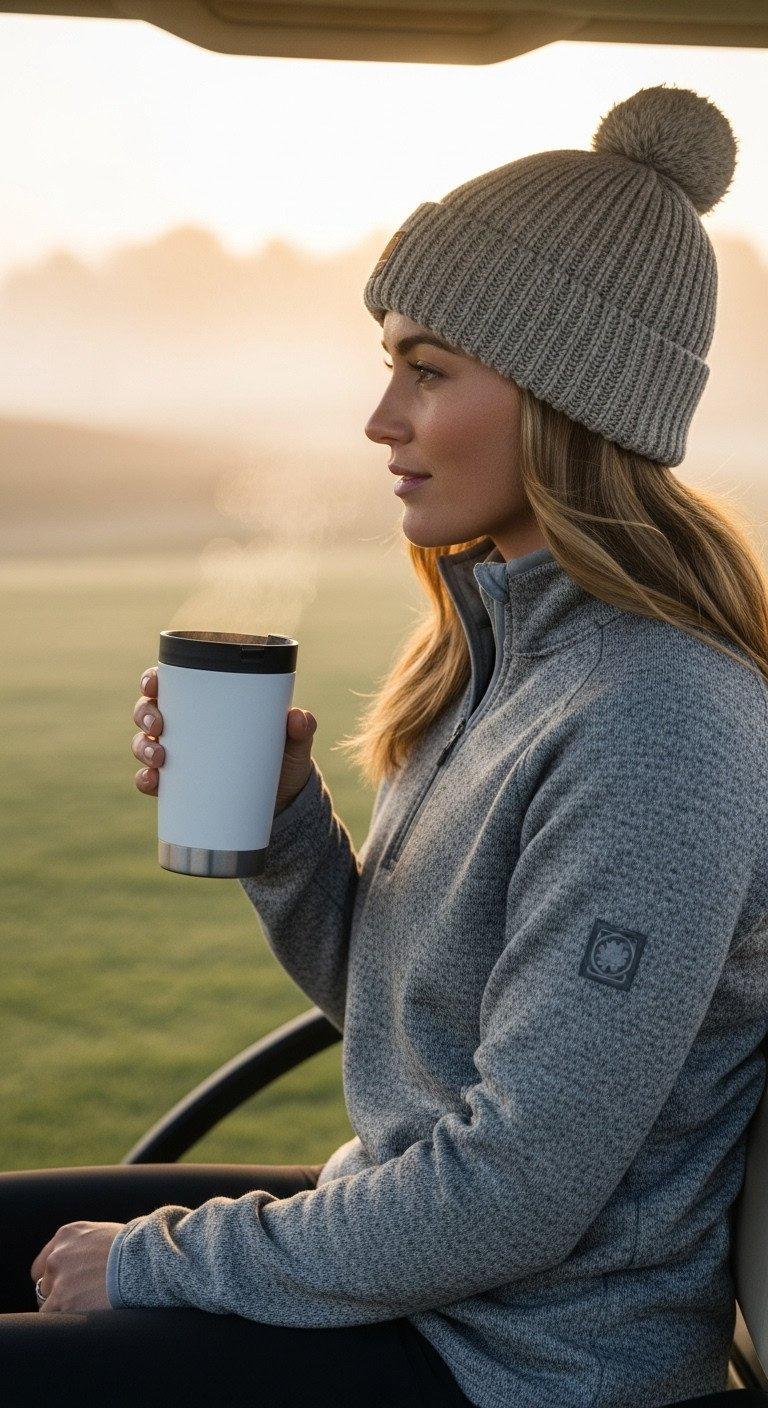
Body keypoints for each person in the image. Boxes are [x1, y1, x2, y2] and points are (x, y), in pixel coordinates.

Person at [2, 84, 768, 1408]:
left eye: (428, 371)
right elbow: (409, 1038)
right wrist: (287, 829)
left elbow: (514, 1197)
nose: (383, 422)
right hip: (444, 1275)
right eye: (389, 368)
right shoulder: (502, 658)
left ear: (562, 396)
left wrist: (166, 1264)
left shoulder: (656, 724)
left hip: (533, 1360)